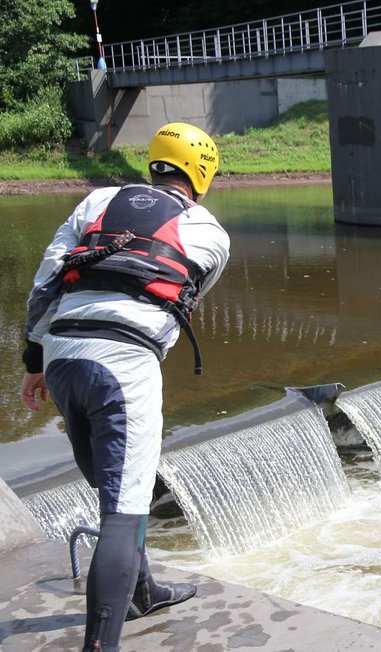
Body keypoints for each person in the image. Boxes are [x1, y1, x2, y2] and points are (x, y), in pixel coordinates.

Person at [19, 122, 230, 652]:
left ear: (153, 161)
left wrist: (33, 360)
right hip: (125, 362)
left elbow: (48, 279)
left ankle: (142, 589)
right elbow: (180, 297)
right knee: (123, 509)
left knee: (114, 488)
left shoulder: (96, 202)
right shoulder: (209, 231)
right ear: (202, 174)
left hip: (64, 355)